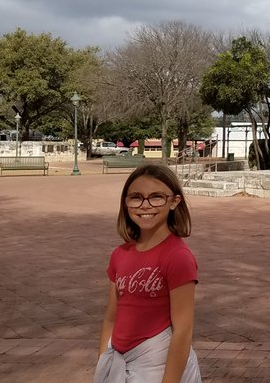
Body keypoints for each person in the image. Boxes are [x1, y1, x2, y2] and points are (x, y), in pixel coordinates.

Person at [95, 164, 202, 383]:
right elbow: (110, 318)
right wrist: (104, 364)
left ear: (174, 202)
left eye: (156, 197)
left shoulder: (177, 256)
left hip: (157, 364)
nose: (145, 205)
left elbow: (183, 329)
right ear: (125, 203)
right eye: (136, 197)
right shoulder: (120, 254)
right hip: (120, 361)